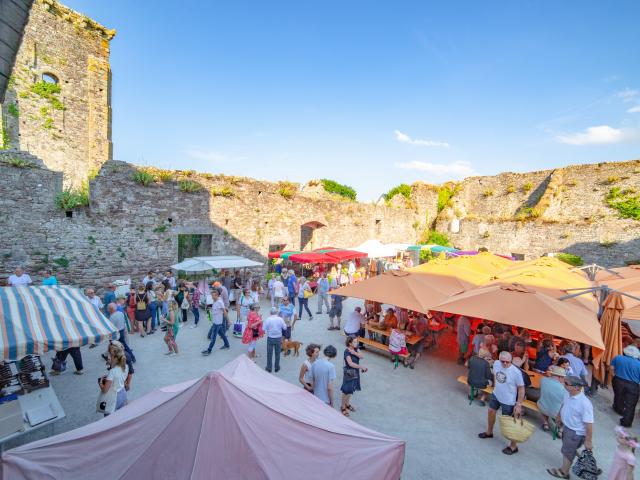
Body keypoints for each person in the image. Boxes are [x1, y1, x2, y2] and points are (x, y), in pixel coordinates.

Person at [478, 351, 525, 456]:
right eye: (502, 361)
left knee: (510, 423)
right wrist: (495, 387)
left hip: (509, 401)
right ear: (499, 360)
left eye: (507, 362)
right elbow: (495, 376)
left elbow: (521, 389)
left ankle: (513, 446)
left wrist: (518, 404)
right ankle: (489, 432)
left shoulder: (516, 372)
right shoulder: (496, 364)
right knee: (490, 412)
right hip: (496, 395)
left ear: (511, 361)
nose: (504, 364)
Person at [547, 376, 594, 479]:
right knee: (570, 449)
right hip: (567, 428)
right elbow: (564, 404)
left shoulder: (585, 404)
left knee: (567, 452)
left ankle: (564, 472)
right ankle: (585, 463)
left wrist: (588, 441)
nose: (564, 385)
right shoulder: (568, 394)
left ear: (577, 388)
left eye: (567, 384)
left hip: (575, 432)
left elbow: (589, 424)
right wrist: (559, 416)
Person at [611, 345, 640, 427]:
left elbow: (611, 368)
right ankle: (626, 422)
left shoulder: (618, 358)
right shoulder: (639, 364)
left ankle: (618, 409)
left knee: (618, 396)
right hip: (633, 385)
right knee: (630, 404)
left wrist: (614, 376)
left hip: (618, 380)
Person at [98, 341, 128, 416]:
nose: (108, 358)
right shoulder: (125, 366)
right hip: (123, 393)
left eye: (110, 356)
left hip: (114, 397)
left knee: (110, 417)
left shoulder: (112, 372)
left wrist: (100, 383)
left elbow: (105, 390)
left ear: (115, 358)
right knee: (121, 414)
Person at [340, 336, 367, 416]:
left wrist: (354, 353)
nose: (357, 343)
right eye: (355, 342)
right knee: (346, 390)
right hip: (349, 371)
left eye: (356, 341)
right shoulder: (346, 352)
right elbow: (350, 364)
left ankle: (347, 404)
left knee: (351, 389)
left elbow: (362, 356)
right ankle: (342, 406)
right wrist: (361, 367)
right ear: (350, 343)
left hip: (355, 371)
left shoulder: (355, 349)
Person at [538, 365, 567, 432]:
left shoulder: (543, 380)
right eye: (563, 377)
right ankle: (560, 430)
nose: (564, 379)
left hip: (542, 408)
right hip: (557, 414)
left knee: (544, 401)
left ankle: (545, 423)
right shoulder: (564, 389)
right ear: (559, 377)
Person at [201, 290, 230, 355]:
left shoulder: (220, 302)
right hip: (215, 322)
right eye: (211, 295)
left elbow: (224, 311)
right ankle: (227, 345)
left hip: (217, 323)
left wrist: (228, 321)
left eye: (213, 295)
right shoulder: (215, 301)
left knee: (213, 337)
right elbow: (216, 310)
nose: (212, 297)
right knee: (222, 334)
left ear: (217, 295)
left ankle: (209, 350)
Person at [263, 307, 286, 373]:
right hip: (278, 338)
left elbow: (263, 329)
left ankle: (269, 367)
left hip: (270, 338)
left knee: (269, 353)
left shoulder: (267, 319)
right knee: (277, 353)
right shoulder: (280, 319)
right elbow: (284, 328)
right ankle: (277, 367)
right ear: (277, 312)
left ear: (270, 313)